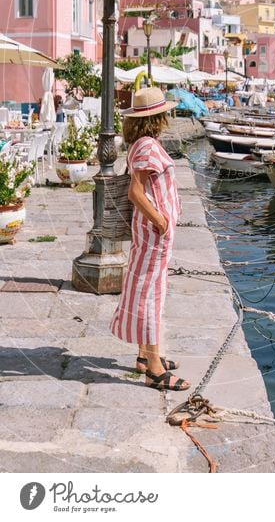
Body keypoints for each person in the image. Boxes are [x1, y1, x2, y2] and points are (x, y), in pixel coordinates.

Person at [110, 87, 190, 392]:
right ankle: (154, 371)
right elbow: (135, 192)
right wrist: (161, 221)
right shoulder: (145, 146)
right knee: (150, 295)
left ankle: (146, 355)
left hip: (153, 232)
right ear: (157, 117)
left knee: (144, 290)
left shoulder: (142, 144)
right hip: (154, 233)